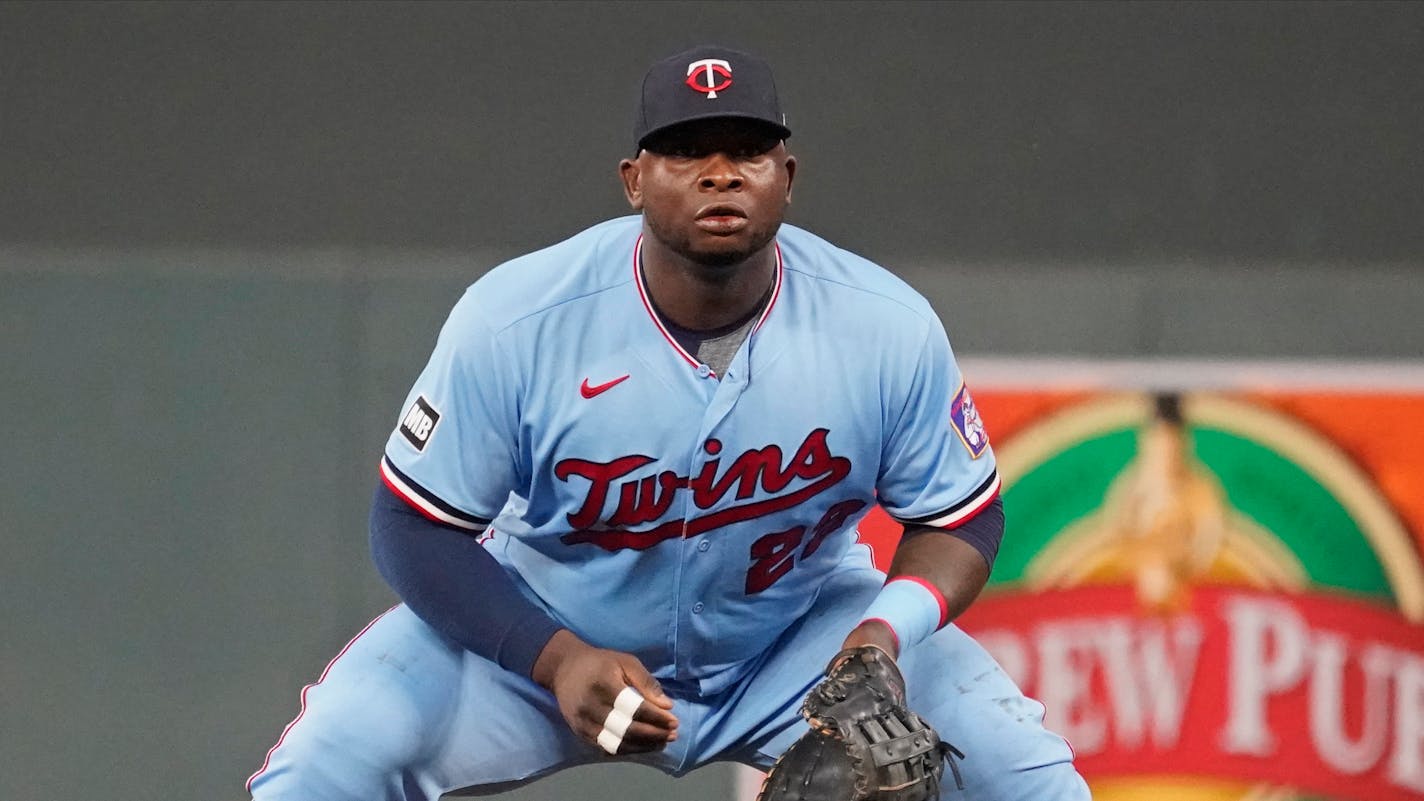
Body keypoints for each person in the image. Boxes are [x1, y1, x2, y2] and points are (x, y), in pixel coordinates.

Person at [247, 45, 1089, 801]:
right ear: (633, 179)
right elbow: (410, 524)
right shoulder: (517, 319)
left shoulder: (882, 326)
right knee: (327, 763)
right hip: (543, 632)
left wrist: (879, 637)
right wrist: (551, 655)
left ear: (786, 177)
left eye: (747, 151)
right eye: (686, 151)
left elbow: (960, 515)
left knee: (1029, 777)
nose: (719, 172)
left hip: (796, 639)